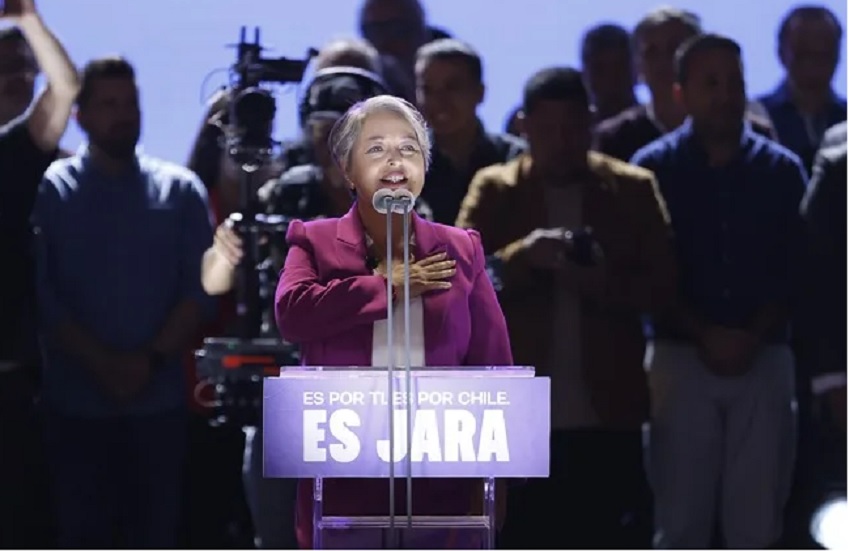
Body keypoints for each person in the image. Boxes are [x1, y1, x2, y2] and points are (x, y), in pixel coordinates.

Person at [274, 95, 512, 549]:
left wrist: (495, 482)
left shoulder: (461, 249)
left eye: (409, 149)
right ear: (347, 169)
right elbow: (293, 313)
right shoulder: (315, 241)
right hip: (345, 472)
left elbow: (493, 363)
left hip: (445, 474)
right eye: (376, 148)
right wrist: (387, 286)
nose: (395, 161)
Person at [32, 56, 214, 548]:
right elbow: (41, 293)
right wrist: (102, 364)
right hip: (74, 407)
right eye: (108, 104)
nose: (124, 115)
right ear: (81, 115)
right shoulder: (52, 190)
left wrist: (147, 361)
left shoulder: (179, 190)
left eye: (130, 103)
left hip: (158, 407)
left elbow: (199, 289)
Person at [631, 34, 805, 548]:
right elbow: (647, 270)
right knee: (681, 522)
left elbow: (797, 269)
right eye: (711, 83)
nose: (726, 95)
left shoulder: (780, 169)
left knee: (757, 525)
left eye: (735, 82)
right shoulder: (652, 169)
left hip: (764, 356)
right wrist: (704, 333)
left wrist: (750, 334)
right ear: (680, 92)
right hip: (680, 358)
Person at [0, 1, 79, 547]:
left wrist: (27, 18)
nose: (13, 80)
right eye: (1, 70)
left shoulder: (18, 152)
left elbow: (66, 90)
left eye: (22, 69)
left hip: (17, 388)